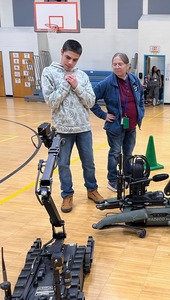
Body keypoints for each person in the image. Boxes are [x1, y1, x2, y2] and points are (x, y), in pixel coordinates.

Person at [41, 39, 103, 213]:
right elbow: (51, 102)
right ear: (61, 52)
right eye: (68, 57)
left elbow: (91, 101)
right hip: (62, 129)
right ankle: (67, 195)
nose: (70, 63)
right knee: (63, 164)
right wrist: (65, 85)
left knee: (89, 163)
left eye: (75, 60)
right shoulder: (49, 72)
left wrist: (76, 85)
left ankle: (92, 190)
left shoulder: (81, 76)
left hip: (84, 128)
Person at [91, 53, 145, 192]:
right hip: (115, 127)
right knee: (115, 153)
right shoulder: (107, 83)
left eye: (120, 64)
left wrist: (141, 112)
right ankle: (113, 180)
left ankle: (127, 176)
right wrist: (103, 115)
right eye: (114, 64)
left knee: (128, 153)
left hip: (131, 125)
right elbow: (90, 99)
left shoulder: (133, 79)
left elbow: (141, 97)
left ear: (127, 66)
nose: (117, 66)